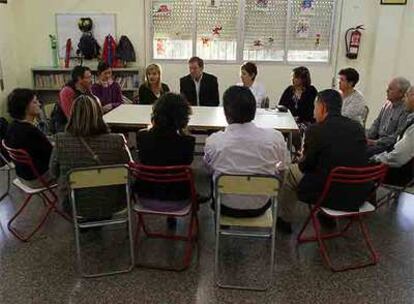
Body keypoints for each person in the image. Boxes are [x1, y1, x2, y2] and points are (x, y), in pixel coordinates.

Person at [277, 89, 369, 233]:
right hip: (357, 194)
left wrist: (302, 156)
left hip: (328, 193)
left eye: (315, 107)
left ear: (322, 107)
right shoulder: (357, 128)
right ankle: (327, 217)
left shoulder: (315, 130)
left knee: (290, 173)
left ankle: (284, 220)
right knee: (333, 166)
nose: (314, 112)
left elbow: (306, 166)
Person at [204, 86, 289, 217]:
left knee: (215, 175)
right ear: (254, 111)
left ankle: (219, 222)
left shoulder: (214, 142)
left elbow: (209, 169)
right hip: (261, 205)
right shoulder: (275, 138)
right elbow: (282, 171)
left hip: (225, 206)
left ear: (226, 114)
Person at [50, 95, 131, 218]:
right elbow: (129, 171)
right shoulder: (117, 140)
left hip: (74, 205)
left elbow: (53, 172)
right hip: (114, 202)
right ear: (99, 114)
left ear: (72, 115)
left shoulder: (61, 141)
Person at [135, 93, 195, 209]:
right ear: (183, 117)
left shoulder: (142, 137)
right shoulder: (187, 142)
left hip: (145, 197)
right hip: (178, 199)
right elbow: (187, 164)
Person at [4, 89, 53, 188]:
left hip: (22, 176)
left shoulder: (12, 126)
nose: (39, 104)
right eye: (35, 102)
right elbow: (52, 156)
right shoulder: (30, 131)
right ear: (25, 107)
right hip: (38, 179)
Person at [372, 86, 414, 186]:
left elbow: (399, 157)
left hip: (402, 176)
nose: (404, 100)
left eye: (406, 96)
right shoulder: (410, 118)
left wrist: (377, 158)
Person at [367, 77, 410, 157]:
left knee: (363, 152)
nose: (387, 91)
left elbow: (397, 136)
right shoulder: (387, 105)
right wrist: (367, 138)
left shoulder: (405, 110)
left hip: (388, 146)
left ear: (401, 93)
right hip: (376, 141)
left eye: (390, 89)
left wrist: (375, 142)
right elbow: (376, 123)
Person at [52, 66, 93, 133]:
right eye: (88, 78)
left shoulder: (87, 89)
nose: (91, 80)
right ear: (79, 79)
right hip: (65, 125)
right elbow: (70, 117)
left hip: (83, 122)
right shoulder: (66, 91)